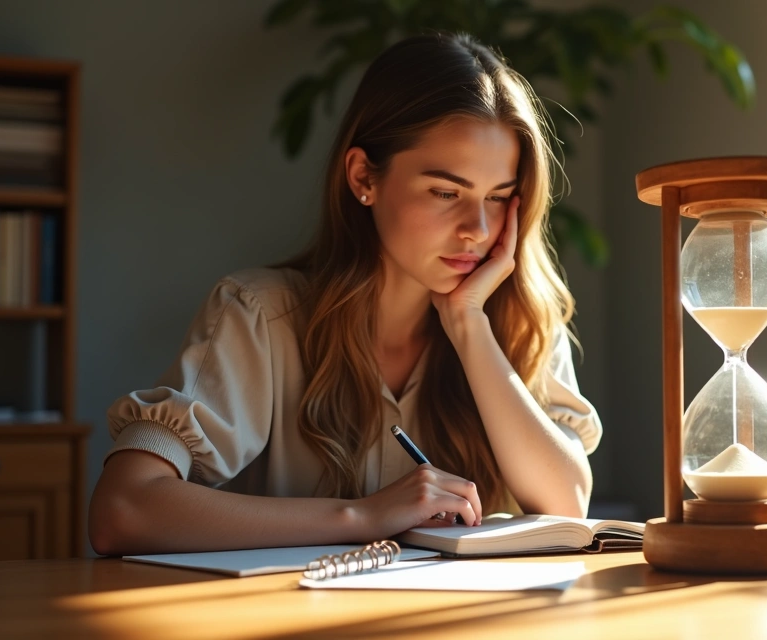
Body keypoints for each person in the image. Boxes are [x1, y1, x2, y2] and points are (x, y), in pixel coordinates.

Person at [88, 32, 601, 556]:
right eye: (446, 192)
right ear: (363, 177)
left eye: (498, 198)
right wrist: (362, 516)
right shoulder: (262, 315)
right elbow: (123, 509)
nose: (477, 228)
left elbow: (566, 508)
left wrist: (469, 326)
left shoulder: (522, 323)